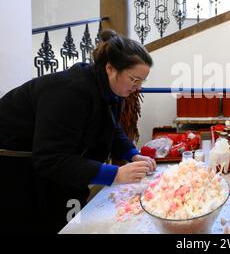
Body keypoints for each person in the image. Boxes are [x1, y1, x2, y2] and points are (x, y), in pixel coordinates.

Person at [0, 30, 156, 234]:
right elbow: (50, 158)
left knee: (67, 216)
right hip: (15, 165)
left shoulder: (109, 88)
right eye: (134, 80)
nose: (137, 88)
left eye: (141, 82)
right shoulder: (70, 92)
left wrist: (132, 154)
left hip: (49, 162)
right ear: (110, 68)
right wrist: (115, 174)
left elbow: (111, 126)